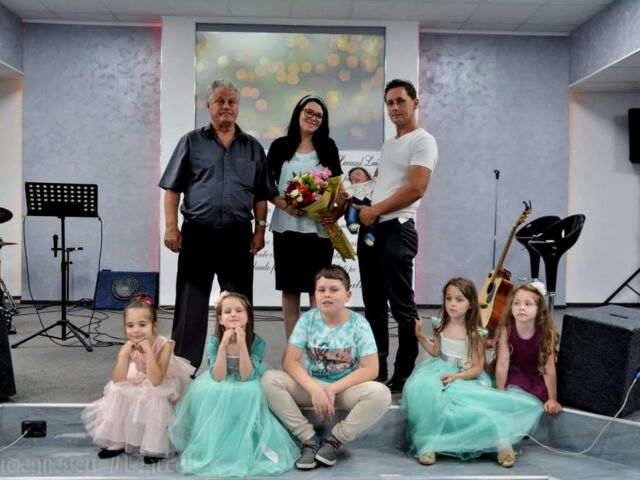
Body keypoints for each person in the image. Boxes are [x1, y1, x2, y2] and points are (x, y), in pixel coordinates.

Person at [159, 79, 274, 371]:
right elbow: (172, 188)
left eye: (231, 102)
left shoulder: (252, 147)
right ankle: (183, 371)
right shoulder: (191, 142)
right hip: (197, 234)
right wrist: (171, 227)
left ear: (238, 107)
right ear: (208, 106)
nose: (225, 106)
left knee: (238, 307)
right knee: (190, 305)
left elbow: (261, 195)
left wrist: (260, 230)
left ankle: (238, 367)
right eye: (219, 101)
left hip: (238, 236)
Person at [401, 278, 542, 468]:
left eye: (459, 299)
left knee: (470, 409)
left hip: (466, 376)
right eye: (449, 298)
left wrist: (456, 377)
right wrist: (420, 336)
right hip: (439, 369)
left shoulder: (476, 333)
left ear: (470, 305)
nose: (452, 304)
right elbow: (436, 351)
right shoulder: (439, 324)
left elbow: (477, 368)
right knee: (425, 395)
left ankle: (500, 442)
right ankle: (429, 444)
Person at [262, 265, 391, 470]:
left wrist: (332, 389)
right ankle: (309, 439)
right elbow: (289, 362)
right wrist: (314, 389)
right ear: (315, 294)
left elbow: (371, 369)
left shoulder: (359, 324)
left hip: (344, 390)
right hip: (312, 388)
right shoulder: (307, 320)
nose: (327, 295)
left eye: (334, 289)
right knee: (269, 380)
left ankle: (334, 440)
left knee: (381, 394)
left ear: (347, 295)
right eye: (321, 290)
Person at [355, 79, 438, 391]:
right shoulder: (389, 144)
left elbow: (416, 188)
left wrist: (375, 210)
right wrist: (354, 197)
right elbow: (385, 185)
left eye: (400, 100)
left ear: (415, 103)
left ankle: (404, 372)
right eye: (389, 102)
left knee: (402, 304)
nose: (394, 107)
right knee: (373, 303)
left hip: (398, 228)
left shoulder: (423, 140)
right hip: (373, 228)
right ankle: (377, 368)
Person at [169, 292, 299, 477]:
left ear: (248, 317)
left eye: (239, 310)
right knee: (212, 393)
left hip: (248, 378)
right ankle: (218, 447)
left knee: (250, 393)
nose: (233, 315)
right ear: (220, 319)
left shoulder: (257, 342)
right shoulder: (215, 341)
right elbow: (218, 376)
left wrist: (242, 345)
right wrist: (223, 346)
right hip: (221, 377)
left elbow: (247, 376)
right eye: (228, 311)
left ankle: (246, 444)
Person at [82, 294, 192, 464]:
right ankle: (119, 439)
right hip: (141, 375)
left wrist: (148, 351)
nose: (136, 330)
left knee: (154, 396)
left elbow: (157, 380)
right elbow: (118, 380)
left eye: (142, 325)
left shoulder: (165, 344)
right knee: (118, 390)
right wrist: (124, 354)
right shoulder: (129, 345)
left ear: (154, 326)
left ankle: (155, 445)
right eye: (130, 326)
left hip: (163, 378)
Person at [268, 95, 344, 338]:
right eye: (309, 112)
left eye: (319, 116)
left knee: (318, 290)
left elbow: (337, 187)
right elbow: (266, 185)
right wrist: (284, 205)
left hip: (319, 231)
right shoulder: (280, 146)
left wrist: (333, 211)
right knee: (290, 291)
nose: (313, 118)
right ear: (298, 113)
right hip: (286, 228)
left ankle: (315, 345)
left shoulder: (328, 147)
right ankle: (293, 346)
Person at [495, 282, 562, 415]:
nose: (521, 308)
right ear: (511, 307)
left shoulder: (547, 333)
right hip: (515, 372)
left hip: (537, 373)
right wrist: (500, 392)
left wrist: (552, 399)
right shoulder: (506, 330)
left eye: (528, 304)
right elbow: (502, 364)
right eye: (516, 303)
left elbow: (549, 367)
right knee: (515, 393)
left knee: (539, 397)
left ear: (539, 309)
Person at [344, 166, 376, 247]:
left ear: (367, 176)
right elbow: (348, 192)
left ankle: (370, 236)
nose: (355, 178)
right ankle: (351, 223)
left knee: (375, 221)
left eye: (358, 174)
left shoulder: (373, 183)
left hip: (371, 205)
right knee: (351, 207)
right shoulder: (353, 187)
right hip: (357, 203)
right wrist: (346, 195)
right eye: (352, 179)